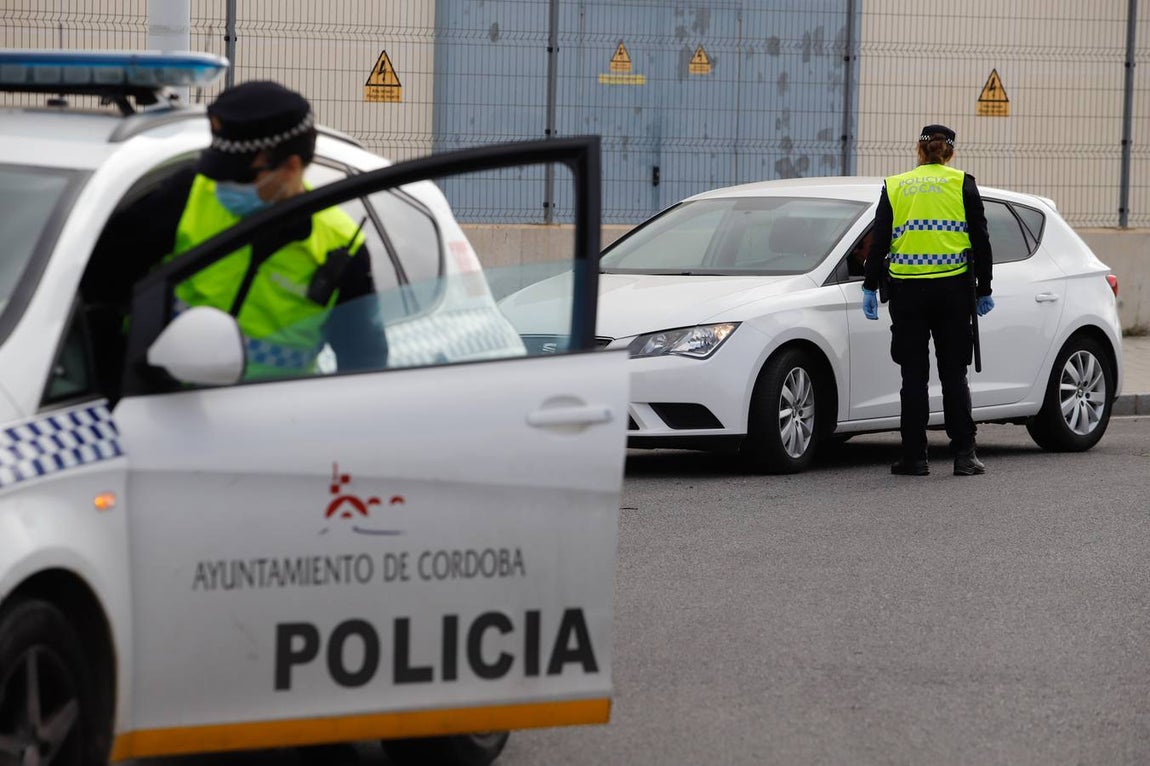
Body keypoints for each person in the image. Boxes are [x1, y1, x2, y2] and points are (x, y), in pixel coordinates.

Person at [84, 80, 386, 386]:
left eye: (239, 174)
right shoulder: (186, 195)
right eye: (218, 170)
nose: (222, 185)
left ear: (291, 167)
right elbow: (96, 289)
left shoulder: (340, 247)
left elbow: (364, 365)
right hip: (157, 406)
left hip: (272, 422)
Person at [861, 124, 994, 477]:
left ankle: (914, 457)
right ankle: (964, 455)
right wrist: (985, 289)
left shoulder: (896, 185)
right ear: (949, 153)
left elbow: (879, 241)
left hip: (907, 294)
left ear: (919, 151)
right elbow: (981, 240)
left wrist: (869, 286)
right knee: (954, 375)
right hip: (953, 292)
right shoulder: (962, 183)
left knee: (913, 377)